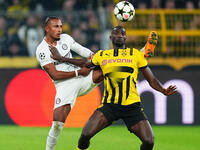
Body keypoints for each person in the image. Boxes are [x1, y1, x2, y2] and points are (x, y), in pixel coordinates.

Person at [36, 16, 157, 150]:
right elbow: (55, 75)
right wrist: (78, 72)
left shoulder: (66, 38)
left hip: (83, 78)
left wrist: (94, 58)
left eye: (60, 26)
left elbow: (82, 50)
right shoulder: (42, 50)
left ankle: (141, 54)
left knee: (107, 65)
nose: (59, 30)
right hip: (64, 85)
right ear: (47, 28)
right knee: (57, 124)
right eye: (55, 26)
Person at [75, 26, 177, 150]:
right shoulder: (102, 55)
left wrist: (163, 90)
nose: (119, 35)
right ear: (110, 37)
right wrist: (62, 59)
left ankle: (147, 48)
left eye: (122, 33)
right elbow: (86, 64)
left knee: (149, 141)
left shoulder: (136, 54)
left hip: (131, 106)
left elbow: (152, 79)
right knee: (85, 135)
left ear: (125, 38)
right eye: (116, 33)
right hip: (110, 105)